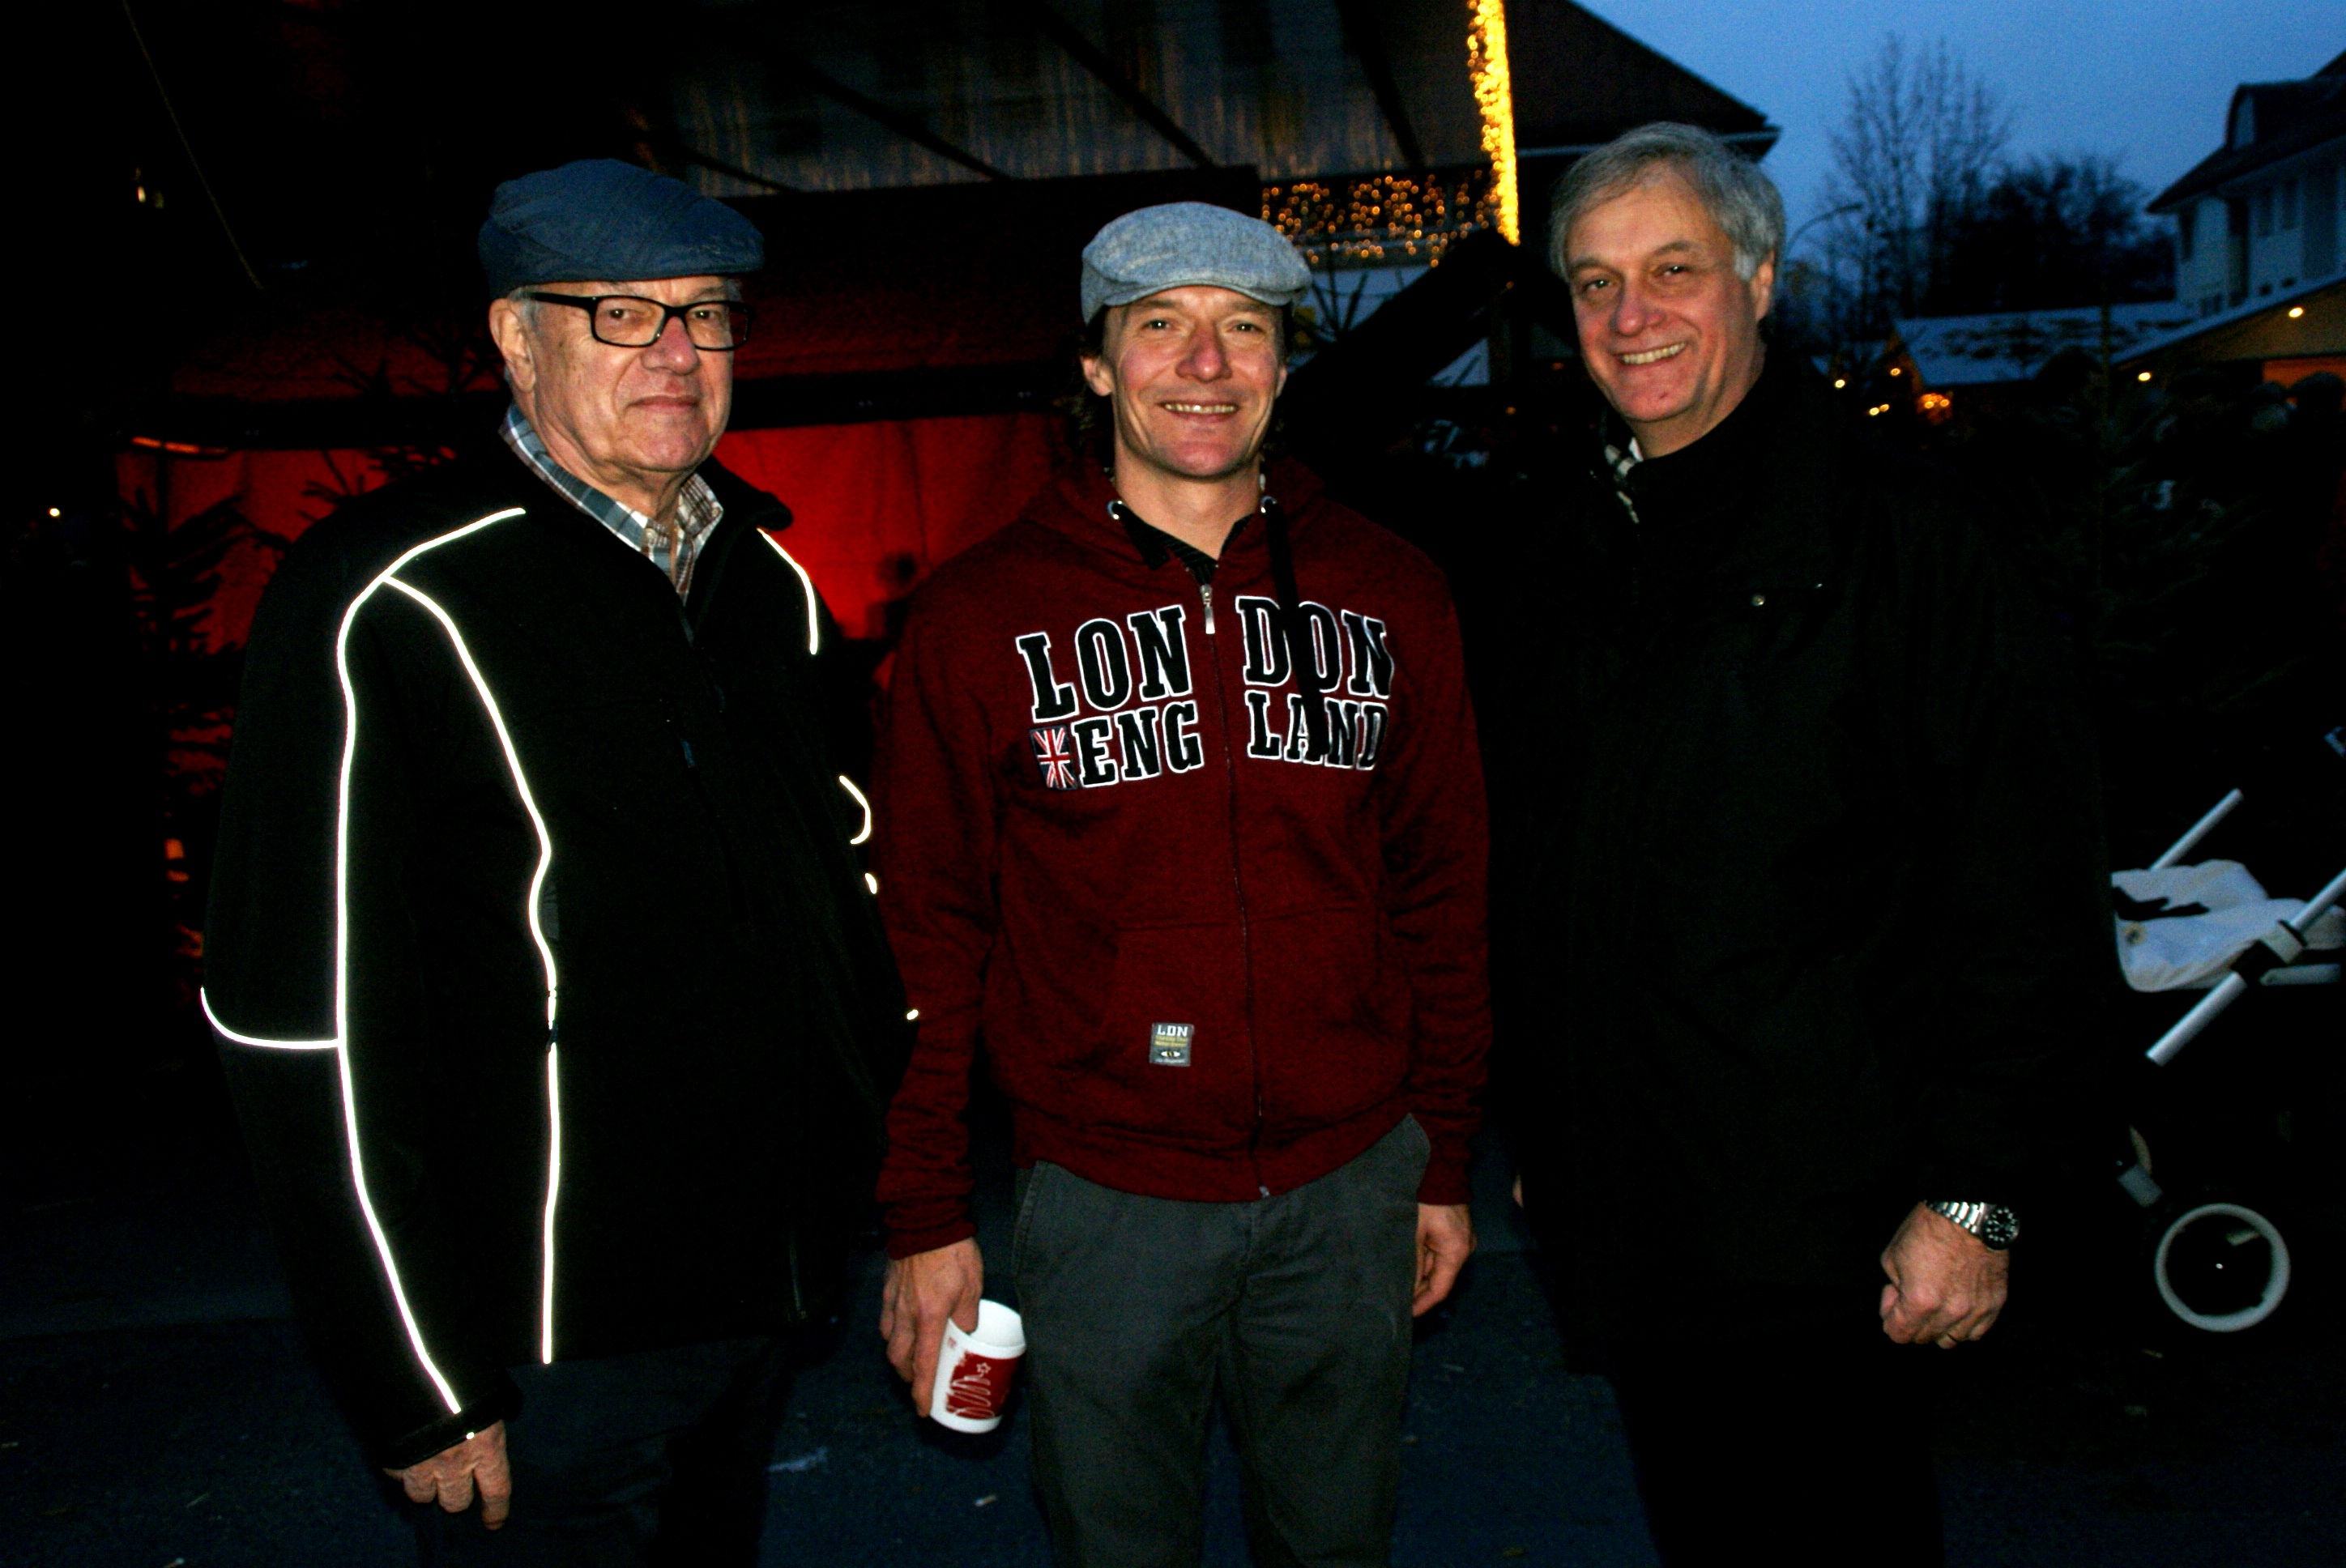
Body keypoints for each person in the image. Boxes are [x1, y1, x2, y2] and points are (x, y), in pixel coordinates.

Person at [203, 159, 912, 1564]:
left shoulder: (763, 585)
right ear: (516, 340)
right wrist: (415, 1379)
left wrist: (871, 1189)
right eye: (621, 315)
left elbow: (841, 897)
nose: (676, 354)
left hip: (756, 1300)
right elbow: (299, 1027)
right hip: (539, 1342)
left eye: (707, 315)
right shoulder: (394, 592)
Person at [1487, 125, 2106, 1564]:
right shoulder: (1569, 545)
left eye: (1673, 269)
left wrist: (1975, 1191)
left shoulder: (1907, 535)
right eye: (1595, 282)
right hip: (1640, 1210)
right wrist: (1554, 1124)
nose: (1630, 317)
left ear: (1760, 280)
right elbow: (1552, 867)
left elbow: (2022, 882)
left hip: (1830, 1227)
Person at [871, 202, 1490, 1567]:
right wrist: (926, 1212)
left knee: (1338, 1548)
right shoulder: (980, 619)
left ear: (1282, 363)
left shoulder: (1395, 592)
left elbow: (1445, 892)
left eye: (1244, 328)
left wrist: (1440, 1156)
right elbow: (929, 930)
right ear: (1098, 365)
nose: (1206, 364)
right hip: (1107, 1194)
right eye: (1162, 325)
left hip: (1349, 1182)